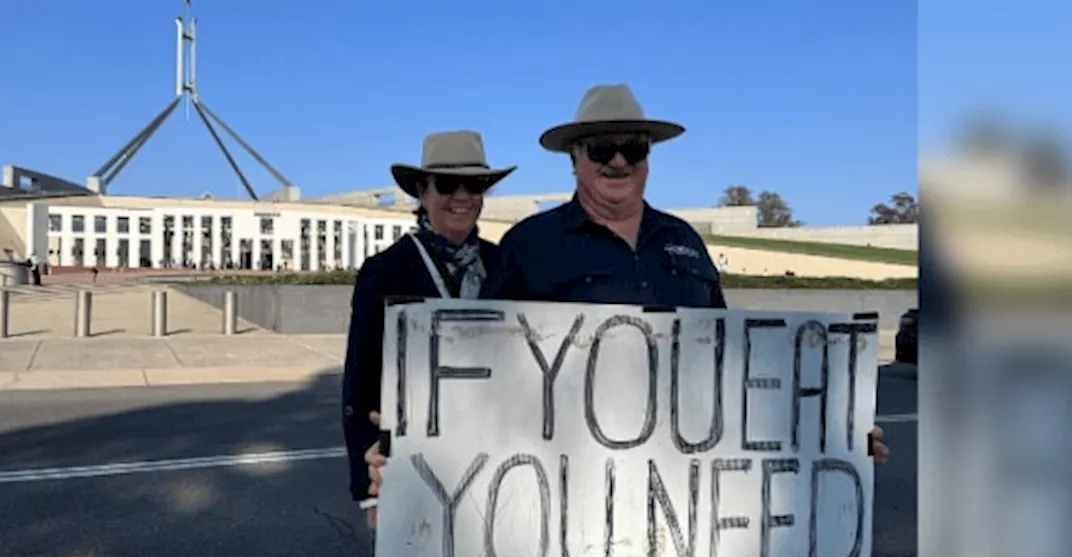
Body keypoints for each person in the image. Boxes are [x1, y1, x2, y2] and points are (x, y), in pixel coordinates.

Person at [362, 84, 889, 514]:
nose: (618, 161)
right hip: (569, 500)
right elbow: (477, 370)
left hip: (681, 496)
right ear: (575, 159)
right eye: (600, 150)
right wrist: (415, 454)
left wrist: (829, 432)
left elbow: (734, 366)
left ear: (648, 159)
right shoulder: (529, 245)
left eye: (633, 149)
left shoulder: (686, 239)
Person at [341, 130, 516, 529]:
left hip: (493, 457)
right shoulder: (384, 271)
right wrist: (367, 494)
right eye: (447, 185)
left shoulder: (502, 263)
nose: (462, 196)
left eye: (473, 185)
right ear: (422, 192)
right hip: (410, 461)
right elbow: (359, 380)